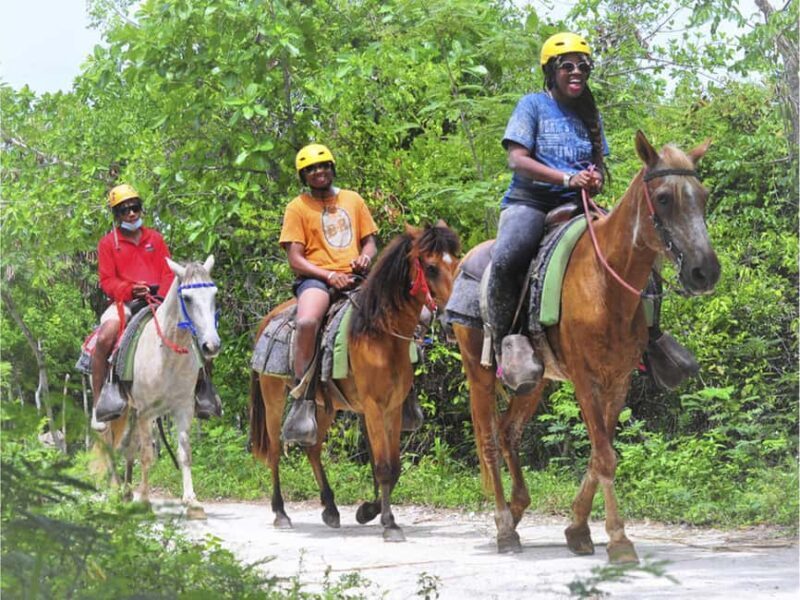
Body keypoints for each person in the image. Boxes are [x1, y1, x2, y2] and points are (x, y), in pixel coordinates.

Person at [486, 32, 696, 391]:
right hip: (532, 203)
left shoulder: (589, 114)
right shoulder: (532, 105)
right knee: (508, 256)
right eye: (567, 65)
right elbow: (516, 159)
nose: (576, 71)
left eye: (583, 65)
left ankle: (650, 337)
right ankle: (509, 342)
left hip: (579, 205)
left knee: (639, 249)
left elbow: (596, 162)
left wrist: (593, 176)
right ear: (551, 71)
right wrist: (567, 178)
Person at [91, 184, 221, 430]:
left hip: (160, 299)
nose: (131, 214)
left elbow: (166, 272)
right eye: (124, 210)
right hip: (125, 301)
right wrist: (130, 289)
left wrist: (160, 297)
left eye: (135, 208)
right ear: (116, 215)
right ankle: (101, 400)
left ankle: (204, 389)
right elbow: (107, 281)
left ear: (141, 209)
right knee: (106, 336)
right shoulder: (108, 243)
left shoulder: (155, 238)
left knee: (199, 328)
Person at [278, 144, 379, 445]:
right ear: (303, 176)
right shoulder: (297, 207)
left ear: (332, 167)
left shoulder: (353, 199)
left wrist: (366, 258)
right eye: (310, 169)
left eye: (322, 166)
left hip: (358, 277)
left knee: (400, 311)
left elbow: (370, 241)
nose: (318, 172)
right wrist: (328, 275)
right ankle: (302, 398)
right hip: (317, 280)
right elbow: (295, 258)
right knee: (308, 321)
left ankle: (407, 390)